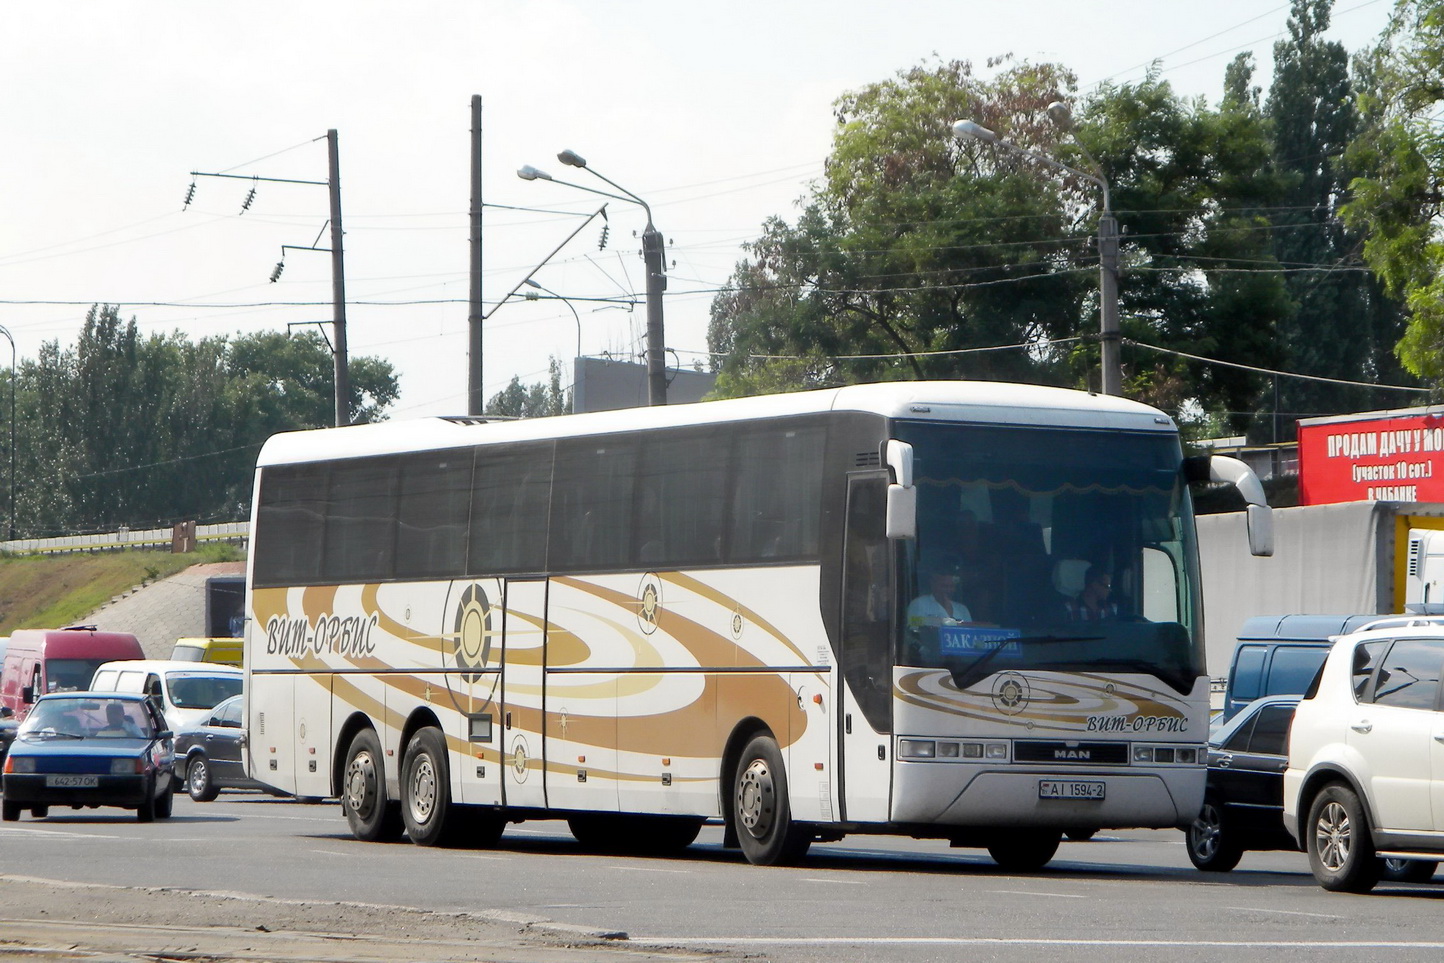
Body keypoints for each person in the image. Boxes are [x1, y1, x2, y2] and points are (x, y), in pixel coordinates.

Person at [907, 564, 973, 627]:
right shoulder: (919, 604)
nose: (948, 590)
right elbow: (914, 628)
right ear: (933, 585)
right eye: (944, 586)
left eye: (951, 586)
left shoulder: (962, 609)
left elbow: (969, 632)